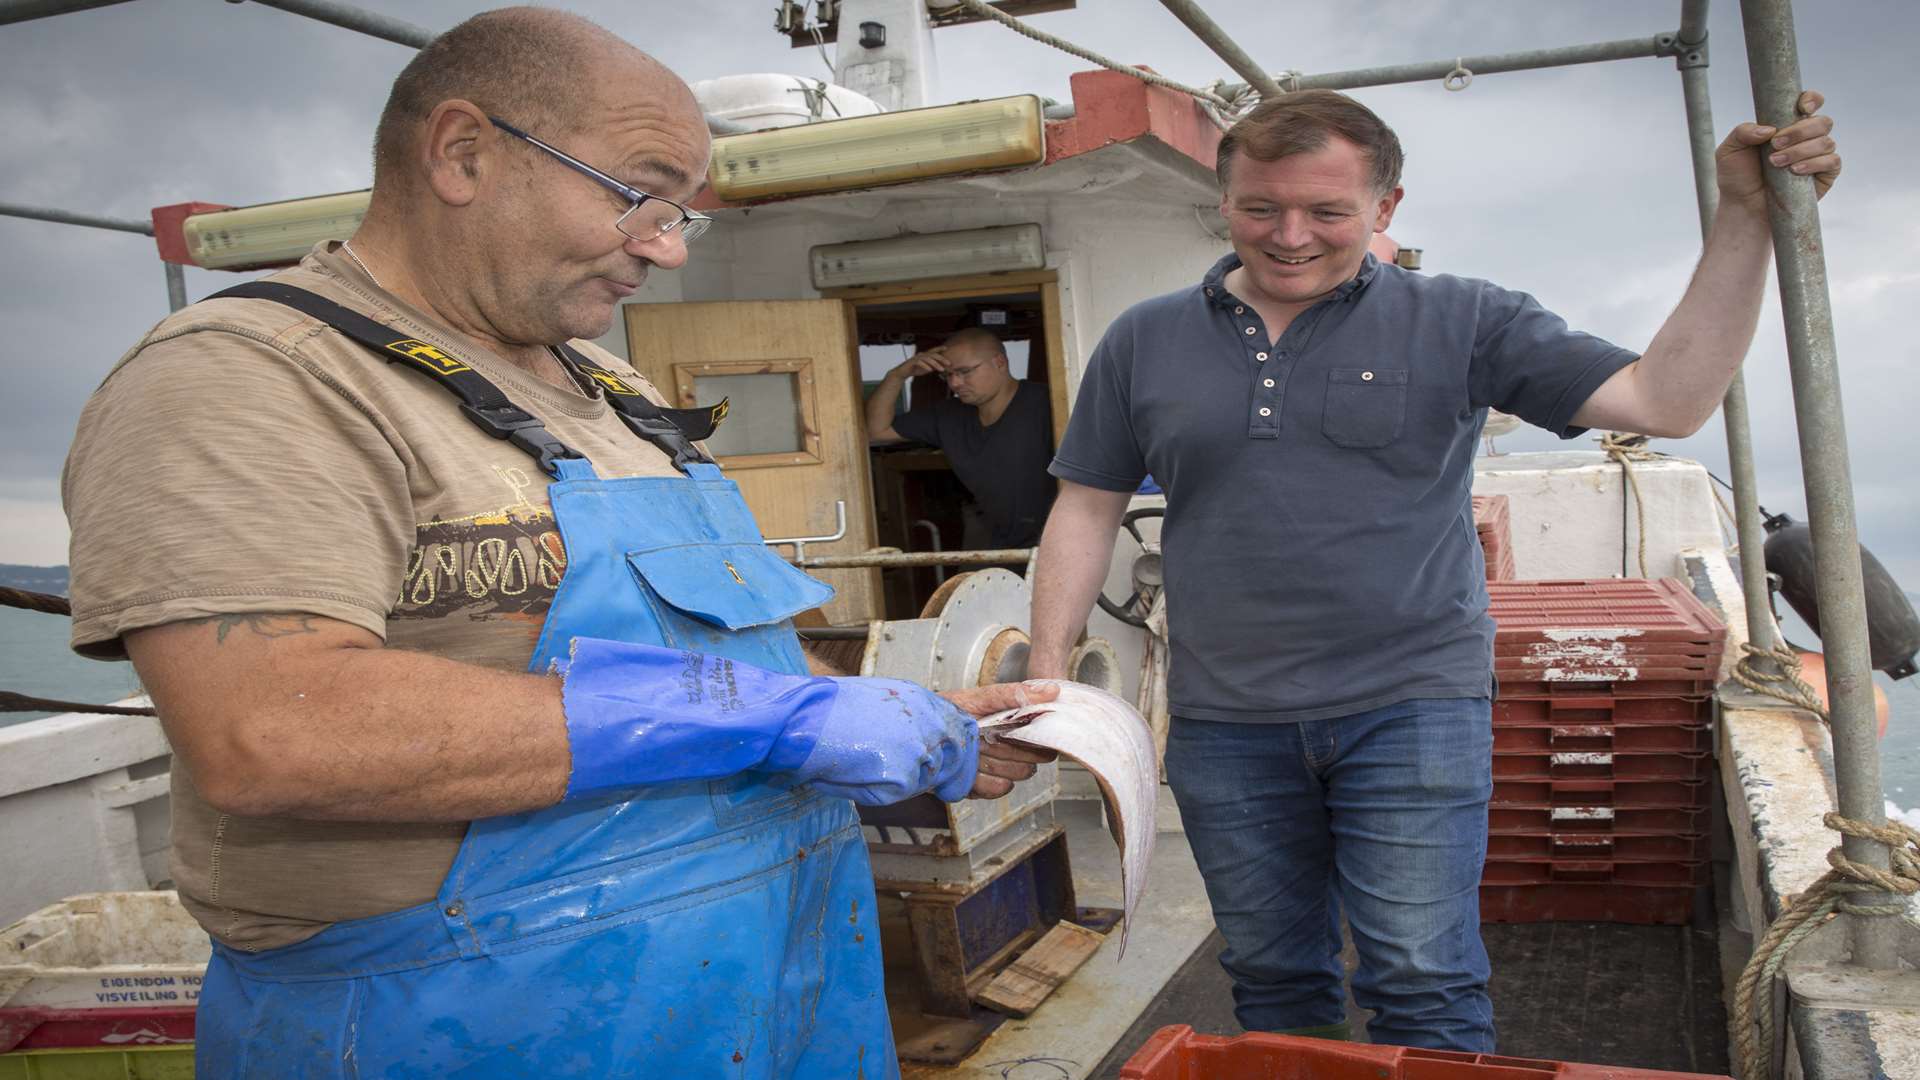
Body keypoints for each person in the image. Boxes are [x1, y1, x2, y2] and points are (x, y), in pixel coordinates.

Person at [61, 9, 1051, 1078]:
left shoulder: (614, 392)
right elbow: (269, 729)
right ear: (463, 152)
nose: (667, 248)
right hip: (469, 1022)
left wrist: (876, 712)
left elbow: (725, 654)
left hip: (771, 989)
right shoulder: (250, 378)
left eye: (684, 216)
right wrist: (784, 718)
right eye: (640, 194)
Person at [1028, 89, 1840, 1049]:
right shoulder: (1142, 339)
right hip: (1224, 720)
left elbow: (1664, 399)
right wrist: (1050, 676)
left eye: (1327, 212)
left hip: (1411, 705)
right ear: (1226, 200)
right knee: (1270, 977)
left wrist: (1746, 218)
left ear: (1386, 207)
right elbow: (1086, 505)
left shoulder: (1464, 318)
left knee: (1421, 974)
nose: (1290, 236)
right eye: (1261, 208)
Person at [866, 327, 1057, 548]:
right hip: (996, 539)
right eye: (948, 375)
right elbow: (876, 430)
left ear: (1000, 363)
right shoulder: (948, 415)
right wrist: (897, 375)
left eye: (965, 371)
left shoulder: (1050, 404)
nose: (955, 384)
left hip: (1056, 542)